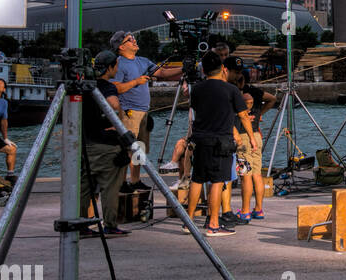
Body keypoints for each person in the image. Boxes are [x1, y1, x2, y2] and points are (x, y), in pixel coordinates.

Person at [185, 53, 254, 235]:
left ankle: (189, 222)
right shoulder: (231, 90)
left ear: (203, 70)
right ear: (223, 69)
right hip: (220, 141)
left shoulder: (197, 89)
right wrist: (252, 138)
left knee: (197, 179)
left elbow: (196, 109)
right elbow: (243, 116)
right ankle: (213, 224)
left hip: (200, 139)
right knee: (217, 182)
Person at [109, 30, 181, 190]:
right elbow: (115, 88)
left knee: (139, 149)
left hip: (144, 113)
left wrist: (184, 69)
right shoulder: (119, 64)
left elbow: (161, 73)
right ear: (121, 47)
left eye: (133, 38)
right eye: (130, 39)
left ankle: (135, 181)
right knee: (127, 149)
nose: (134, 40)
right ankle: (121, 183)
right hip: (129, 112)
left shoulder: (142, 60)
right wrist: (136, 81)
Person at [79, 51, 130, 236]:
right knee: (110, 187)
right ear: (110, 67)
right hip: (106, 145)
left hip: (86, 143)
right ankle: (110, 223)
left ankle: (81, 224)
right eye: (116, 65)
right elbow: (114, 105)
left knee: (85, 187)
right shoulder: (106, 87)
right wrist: (115, 124)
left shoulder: (83, 88)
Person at [233, 91, 267, 221]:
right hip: (257, 137)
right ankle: (258, 209)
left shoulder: (240, 106)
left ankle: (245, 210)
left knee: (246, 175)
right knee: (257, 174)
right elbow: (271, 98)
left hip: (244, 138)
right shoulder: (256, 105)